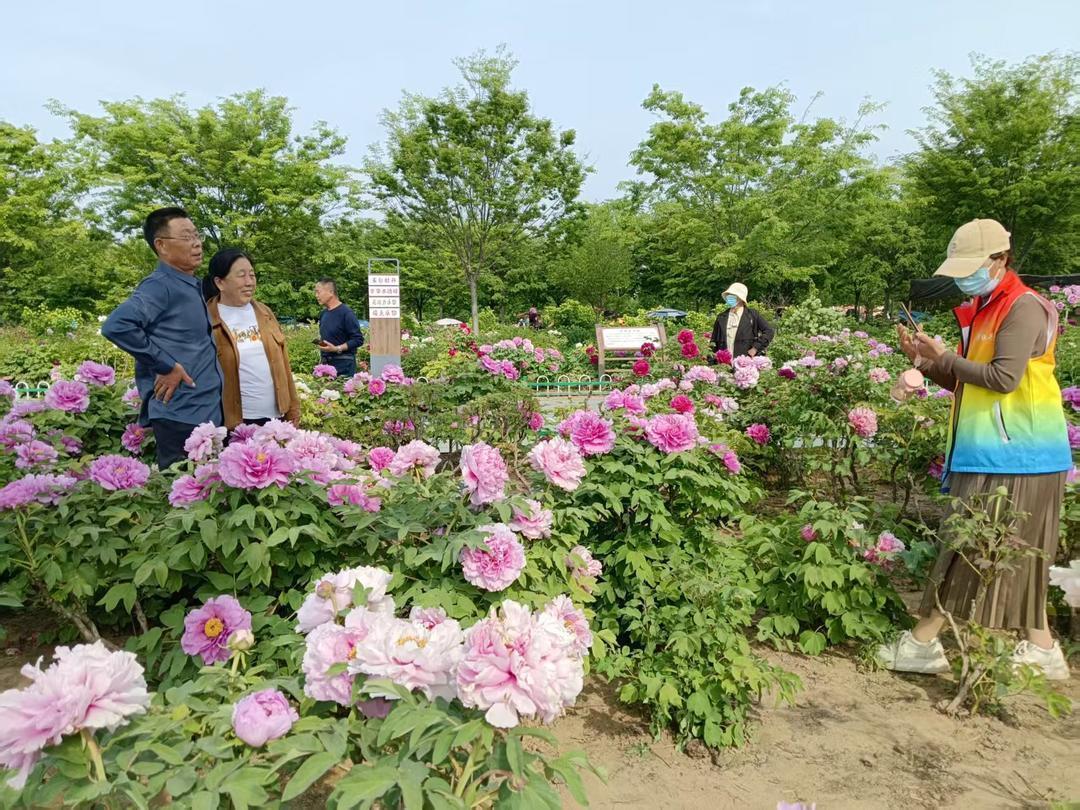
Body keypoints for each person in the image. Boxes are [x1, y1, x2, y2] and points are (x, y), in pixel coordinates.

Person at [878, 218, 1072, 680]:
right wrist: (924, 362)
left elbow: (1003, 379)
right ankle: (1042, 649)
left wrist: (945, 357)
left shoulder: (1023, 307)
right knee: (1007, 552)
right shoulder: (985, 308)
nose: (965, 278)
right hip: (993, 449)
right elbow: (969, 382)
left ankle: (923, 642)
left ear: (1001, 259)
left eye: (972, 267)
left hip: (1019, 454)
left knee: (966, 545)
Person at [102, 207, 223, 468]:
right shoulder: (160, 285)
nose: (197, 243)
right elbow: (117, 325)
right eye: (187, 237)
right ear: (162, 245)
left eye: (197, 235)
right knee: (184, 488)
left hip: (205, 410)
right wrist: (165, 365)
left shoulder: (190, 284)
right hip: (180, 414)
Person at [203, 249, 301, 429]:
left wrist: (293, 408)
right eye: (241, 275)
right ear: (220, 282)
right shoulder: (207, 319)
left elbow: (284, 364)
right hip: (234, 423)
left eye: (252, 275)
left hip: (276, 418)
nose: (249, 282)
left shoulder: (265, 313)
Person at [708, 282, 775, 359]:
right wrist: (710, 360)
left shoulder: (752, 315)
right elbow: (713, 342)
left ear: (740, 298)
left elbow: (769, 331)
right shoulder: (721, 317)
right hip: (724, 363)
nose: (730, 297)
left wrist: (755, 348)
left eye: (733, 295)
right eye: (729, 295)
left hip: (745, 361)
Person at [314, 278, 364, 377]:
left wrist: (337, 348)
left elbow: (358, 339)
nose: (316, 295)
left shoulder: (346, 313)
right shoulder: (323, 314)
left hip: (344, 365)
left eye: (318, 292)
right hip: (326, 365)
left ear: (331, 292)